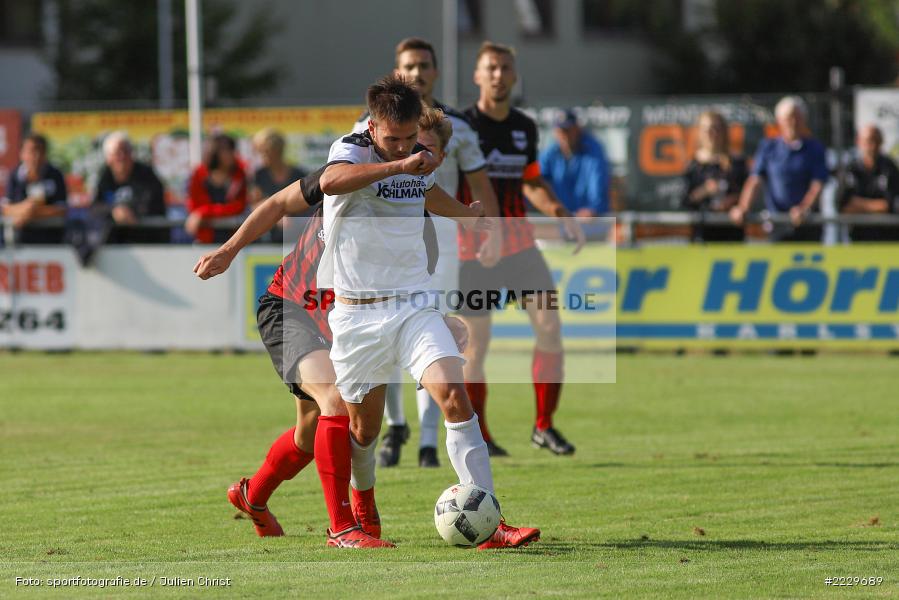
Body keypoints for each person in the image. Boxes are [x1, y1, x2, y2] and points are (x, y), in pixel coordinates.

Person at [193, 112, 471, 549]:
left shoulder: (418, 226)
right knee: (335, 403)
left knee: (310, 435)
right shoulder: (346, 174)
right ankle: (343, 527)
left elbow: (410, 292)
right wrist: (228, 250)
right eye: (401, 144)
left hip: (347, 325)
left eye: (422, 149)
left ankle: (253, 495)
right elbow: (277, 204)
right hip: (293, 307)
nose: (411, 154)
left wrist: (438, 318)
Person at [317, 75, 539, 549]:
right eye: (392, 139)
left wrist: (468, 213)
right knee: (364, 429)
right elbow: (328, 180)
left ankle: (492, 520)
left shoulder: (418, 153)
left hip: (413, 306)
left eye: (408, 137)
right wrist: (394, 165)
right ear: (373, 127)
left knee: (455, 399)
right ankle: (362, 506)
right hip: (357, 312)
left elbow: (425, 193)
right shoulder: (352, 149)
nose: (402, 147)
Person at [355, 36, 501, 469]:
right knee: (387, 332)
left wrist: (491, 231)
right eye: (408, 66)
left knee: (432, 333)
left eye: (423, 65)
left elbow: (478, 184)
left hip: (441, 239)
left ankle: (428, 442)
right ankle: (396, 425)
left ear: (435, 72)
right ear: (396, 74)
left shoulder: (460, 126)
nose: (417, 73)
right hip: (386, 244)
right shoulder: (370, 123)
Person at [457, 42, 585, 457]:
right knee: (476, 347)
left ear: (514, 76)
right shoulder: (460, 125)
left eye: (504, 68)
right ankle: (482, 436)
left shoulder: (524, 127)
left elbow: (531, 181)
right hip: (472, 251)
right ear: (477, 76)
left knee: (550, 327)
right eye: (490, 68)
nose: (497, 74)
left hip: (519, 245)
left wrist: (561, 212)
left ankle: (544, 425)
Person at [730, 96, 829, 242]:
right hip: (777, 225)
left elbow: (817, 183)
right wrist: (743, 207)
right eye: (789, 118)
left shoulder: (815, 149)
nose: (793, 123)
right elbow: (755, 180)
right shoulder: (768, 147)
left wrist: (804, 208)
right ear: (779, 121)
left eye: (797, 117)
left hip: (807, 225)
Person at [539, 109, 611, 239]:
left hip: (592, 224)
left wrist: (592, 209)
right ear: (555, 132)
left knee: (596, 257)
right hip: (564, 225)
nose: (565, 135)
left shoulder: (593, 149)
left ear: (577, 129)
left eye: (568, 130)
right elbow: (535, 182)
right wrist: (551, 208)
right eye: (561, 130)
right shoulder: (550, 152)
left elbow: (598, 182)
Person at [682, 111, 747, 242]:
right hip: (702, 234)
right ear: (700, 133)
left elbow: (747, 193)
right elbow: (684, 201)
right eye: (708, 130)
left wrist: (733, 203)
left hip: (731, 233)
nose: (713, 134)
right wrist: (704, 191)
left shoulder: (737, 163)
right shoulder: (693, 165)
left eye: (717, 129)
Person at [93, 131, 167, 243]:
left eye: (126, 151)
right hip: (114, 244)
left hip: (147, 242)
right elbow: (95, 208)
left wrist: (130, 211)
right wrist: (113, 211)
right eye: (117, 153)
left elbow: (154, 205)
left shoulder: (147, 176)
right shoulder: (105, 177)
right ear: (108, 158)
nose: (122, 157)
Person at [2, 134, 67, 244]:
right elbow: (6, 208)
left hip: (50, 241)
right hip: (19, 241)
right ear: (21, 154)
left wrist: (31, 212)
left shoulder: (55, 175)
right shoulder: (14, 175)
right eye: (31, 151)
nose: (36, 156)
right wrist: (27, 207)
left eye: (40, 151)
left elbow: (61, 209)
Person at [840, 124, 899, 242]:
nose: (872, 145)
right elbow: (843, 206)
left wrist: (857, 204)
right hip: (858, 238)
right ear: (858, 142)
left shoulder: (889, 168)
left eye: (876, 140)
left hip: (887, 238)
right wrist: (875, 206)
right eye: (868, 140)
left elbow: (888, 206)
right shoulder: (851, 168)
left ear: (881, 142)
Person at [185, 133, 248, 243]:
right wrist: (203, 212)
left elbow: (239, 206)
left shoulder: (239, 174)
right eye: (225, 150)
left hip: (234, 239)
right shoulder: (199, 174)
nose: (231, 154)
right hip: (205, 239)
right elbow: (194, 206)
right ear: (213, 152)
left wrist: (204, 213)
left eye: (232, 149)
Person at [249, 128, 307, 243]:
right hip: (267, 240)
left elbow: (308, 204)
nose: (261, 156)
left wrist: (285, 212)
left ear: (277, 151)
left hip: (298, 238)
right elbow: (253, 205)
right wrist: (277, 214)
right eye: (259, 152)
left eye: (265, 152)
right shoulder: (259, 176)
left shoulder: (298, 174)